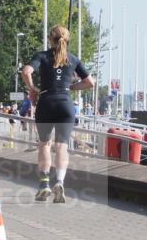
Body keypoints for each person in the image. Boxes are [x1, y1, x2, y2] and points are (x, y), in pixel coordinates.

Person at [22, 25, 95, 203]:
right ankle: (60, 182)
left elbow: (26, 71)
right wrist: (71, 87)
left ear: (50, 39)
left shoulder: (42, 56)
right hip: (65, 104)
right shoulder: (73, 59)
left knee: (45, 144)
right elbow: (89, 82)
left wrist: (32, 88)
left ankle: (44, 184)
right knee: (62, 146)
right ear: (67, 40)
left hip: (46, 102)